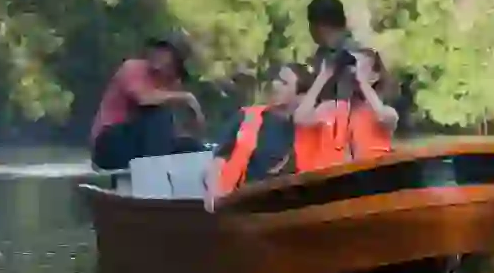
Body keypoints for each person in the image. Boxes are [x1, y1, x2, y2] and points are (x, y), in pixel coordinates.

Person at [203, 63, 317, 212]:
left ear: (300, 96)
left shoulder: (308, 125)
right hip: (245, 204)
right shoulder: (246, 116)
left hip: (292, 207)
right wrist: (212, 191)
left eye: (284, 83)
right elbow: (219, 158)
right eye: (276, 79)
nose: (275, 85)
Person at [90, 36, 207, 171]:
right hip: (109, 143)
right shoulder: (133, 68)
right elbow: (143, 99)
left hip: (142, 147)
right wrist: (187, 98)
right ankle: (154, 177)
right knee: (157, 114)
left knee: (193, 148)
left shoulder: (171, 84)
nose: (158, 54)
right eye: (158, 49)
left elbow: (176, 130)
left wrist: (195, 116)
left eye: (165, 53)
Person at [294, 49, 397, 167]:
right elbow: (300, 118)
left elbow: (384, 117)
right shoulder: (331, 108)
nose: (352, 71)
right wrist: (323, 76)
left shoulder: (381, 111)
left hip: (373, 176)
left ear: (375, 76)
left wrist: (363, 82)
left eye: (361, 67)